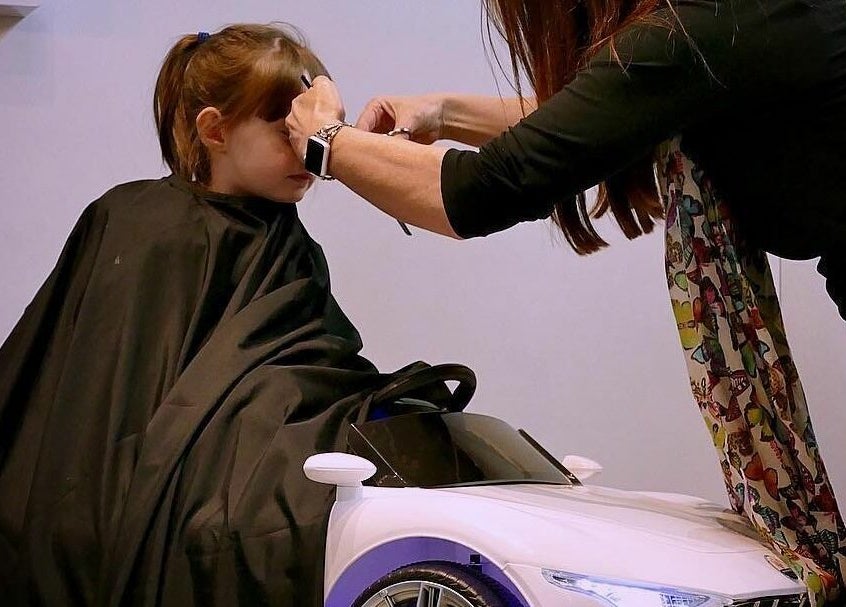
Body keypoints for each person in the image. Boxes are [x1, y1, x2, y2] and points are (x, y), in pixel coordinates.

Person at [285, 0, 846, 604]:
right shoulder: (717, 28)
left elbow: (479, 190)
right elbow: (605, 114)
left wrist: (324, 141)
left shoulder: (695, 32)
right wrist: (442, 112)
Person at [0, 23, 438, 607]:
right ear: (215, 129)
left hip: (237, 461)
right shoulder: (138, 225)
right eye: (289, 132)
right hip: (127, 499)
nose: (310, 152)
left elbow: (303, 370)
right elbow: (99, 410)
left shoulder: (291, 245)